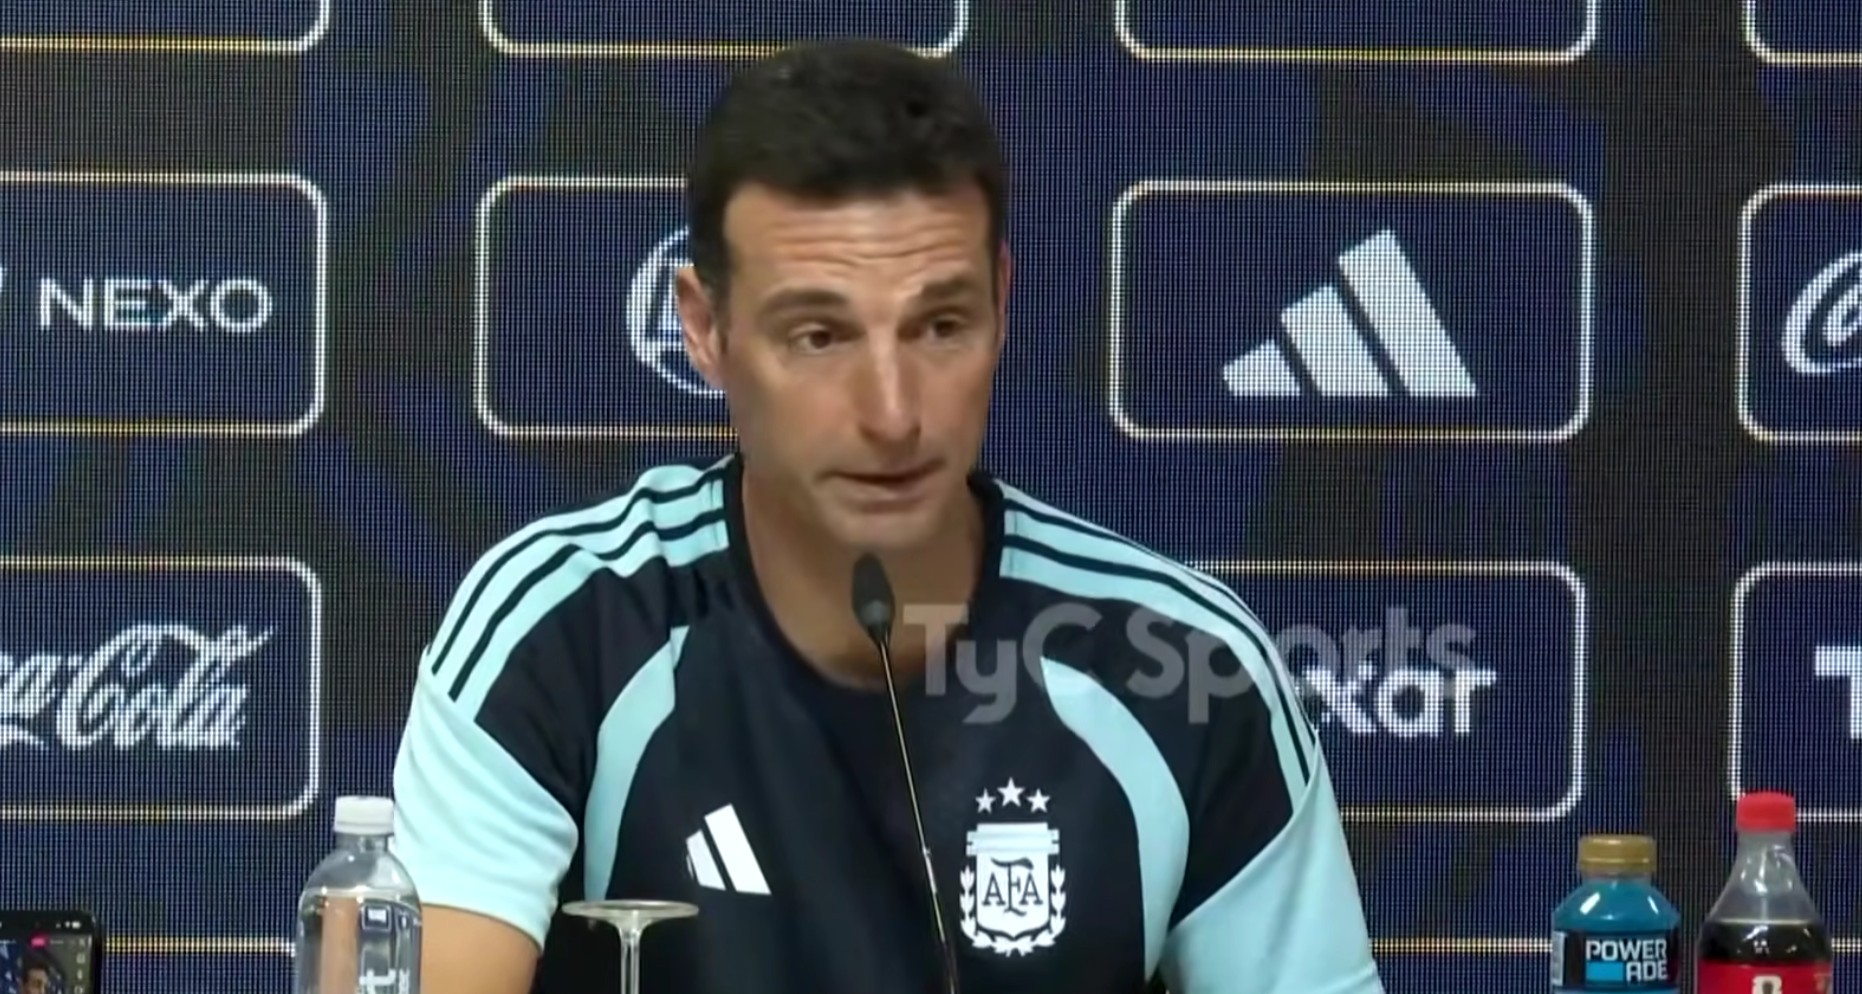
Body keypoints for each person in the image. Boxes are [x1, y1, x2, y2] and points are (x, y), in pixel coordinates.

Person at [391, 37, 1382, 994]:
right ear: (704, 329)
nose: (893, 413)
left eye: (939, 325)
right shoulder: (562, 630)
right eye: (818, 336)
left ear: (1001, 301)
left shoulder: (1184, 665)